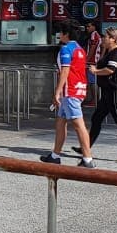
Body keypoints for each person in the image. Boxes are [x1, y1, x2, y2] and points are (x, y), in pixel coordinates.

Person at [73, 26, 117, 162]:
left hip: (114, 91)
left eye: (106, 37)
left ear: (113, 39)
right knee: (97, 118)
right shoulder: (110, 51)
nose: (103, 38)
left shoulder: (116, 52)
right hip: (107, 91)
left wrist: (95, 71)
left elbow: (110, 70)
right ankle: (86, 147)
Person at [40, 21, 95, 168]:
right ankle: (55, 155)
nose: (59, 35)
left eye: (60, 32)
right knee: (60, 122)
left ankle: (88, 159)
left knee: (78, 124)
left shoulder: (65, 49)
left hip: (69, 91)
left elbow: (65, 71)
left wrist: (57, 92)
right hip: (78, 88)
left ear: (65, 34)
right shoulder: (80, 49)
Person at [83, 21, 102, 107]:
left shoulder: (94, 35)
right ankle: (94, 99)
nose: (87, 28)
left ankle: (95, 100)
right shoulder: (95, 35)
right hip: (92, 60)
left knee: (92, 81)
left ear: (94, 27)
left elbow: (92, 48)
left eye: (89, 26)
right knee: (91, 81)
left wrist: (86, 60)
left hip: (92, 61)